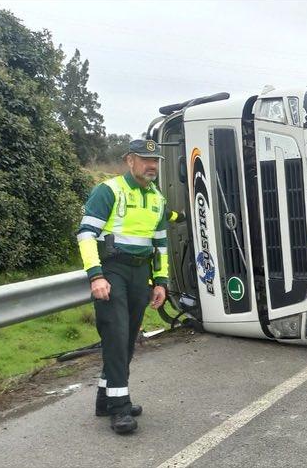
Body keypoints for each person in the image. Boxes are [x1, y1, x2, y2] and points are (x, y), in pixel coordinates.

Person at [76, 139, 169, 434]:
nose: (151, 166)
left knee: (127, 339)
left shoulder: (157, 198)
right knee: (116, 335)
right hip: (112, 270)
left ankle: (106, 398)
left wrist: (161, 281)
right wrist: (96, 275)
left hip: (140, 274)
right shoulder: (108, 191)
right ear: (130, 160)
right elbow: (86, 234)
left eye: (155, 161)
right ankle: (119, 406)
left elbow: (161, 245)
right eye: (145, 160)